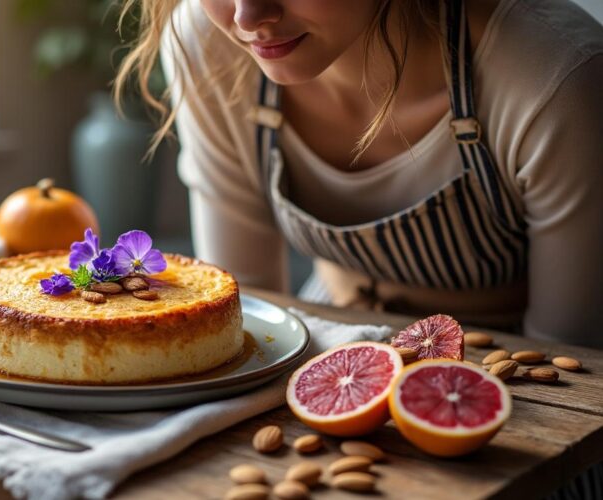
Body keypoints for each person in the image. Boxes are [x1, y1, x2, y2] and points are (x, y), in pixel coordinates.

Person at [114, 0, 603, 349]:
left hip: (513, 375)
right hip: (332, 347)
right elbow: (245, 322)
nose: (247, 17)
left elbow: (570, 365)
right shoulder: (207, 44)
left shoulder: (557, 79)